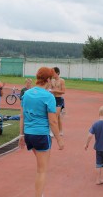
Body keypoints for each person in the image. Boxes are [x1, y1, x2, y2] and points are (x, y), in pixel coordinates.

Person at [19, 67, 64, 197]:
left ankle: (41, 194)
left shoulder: (26, 94)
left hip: (29, 134)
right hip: (41, 135)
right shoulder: (48, 96)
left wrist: (21, 134)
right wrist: (60, 139)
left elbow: (22, 116)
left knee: (41, 165)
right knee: (41, 170)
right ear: (48, 79)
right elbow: (53, 121)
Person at [50, 67, 66, 136]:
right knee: (58, 116)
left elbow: (63, 91)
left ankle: (53, 131)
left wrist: (54, 91)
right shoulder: (52, 80)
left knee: (55, 115)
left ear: (57, 73)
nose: (52, 74)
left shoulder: (62, 80)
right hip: (53, 99)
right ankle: (60, 131)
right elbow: (50, 89)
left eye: (53, 72)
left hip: (59, 99)